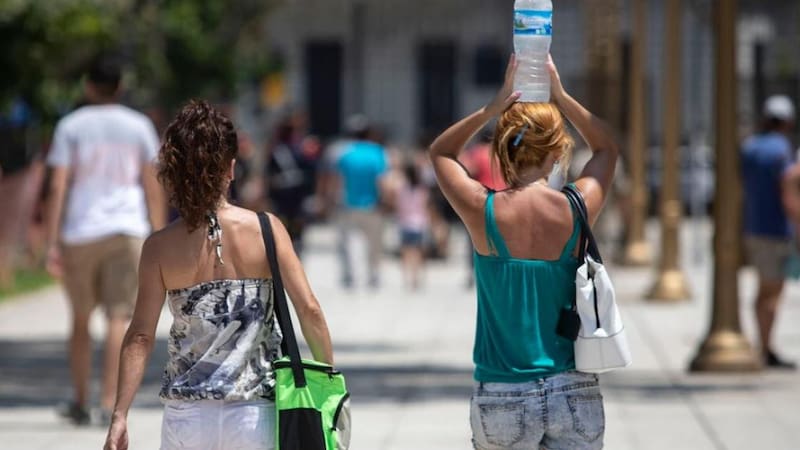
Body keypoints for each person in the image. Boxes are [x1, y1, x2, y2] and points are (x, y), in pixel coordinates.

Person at [102, 101, 334, 450]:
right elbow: (309, 310)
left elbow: (140, 337)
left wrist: (120, 414)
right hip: (255, 412)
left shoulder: (159, 247)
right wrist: (327, 381)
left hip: (187, 416)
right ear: (230, 169)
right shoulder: (266, 230)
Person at [429, 54, 618, 449]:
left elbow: (441, 153)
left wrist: (492, 107)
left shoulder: (484, 210)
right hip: (572, 388)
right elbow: (606, 148)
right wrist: (561, 96)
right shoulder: (576, 207)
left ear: (503, 151)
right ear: (557, 154)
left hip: (503, 391)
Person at [44, 56, 165, 425]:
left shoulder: (71, 126)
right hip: (128, 228)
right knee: (119, 317)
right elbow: (151, 182)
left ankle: (81, 400)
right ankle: (109, 402)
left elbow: (58, 183)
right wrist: (157, 236)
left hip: (81, 231)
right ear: (120, 86)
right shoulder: (140, 125)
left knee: (80, 318)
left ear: (88, 85)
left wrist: (51, 241)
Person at [742, 95, 797, 370]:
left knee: (762, 290)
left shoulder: (751, 147)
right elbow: (788, 184)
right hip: (776, 228)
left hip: (753, 225)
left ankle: (762, 344)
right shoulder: (781, 149)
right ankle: (766, 348)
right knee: (774, 292)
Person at [329, 115, 390, 289]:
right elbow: (382, 180)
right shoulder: (377, 152)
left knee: (345, 243)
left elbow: (336, 179)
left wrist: (330, 200)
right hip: (372, 205)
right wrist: (386, 200)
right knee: (375, 243)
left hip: (347, 203)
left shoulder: (342, 152)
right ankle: (374, 275)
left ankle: (349, 276)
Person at [396, 161, 430, 290]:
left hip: (405, 224)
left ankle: (407, 279)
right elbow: (425, 207)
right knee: (419, 253)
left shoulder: (401, 189)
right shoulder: (422, 190)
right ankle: (417, 278)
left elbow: (399, 207)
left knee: (406, 253)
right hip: (419, 224)